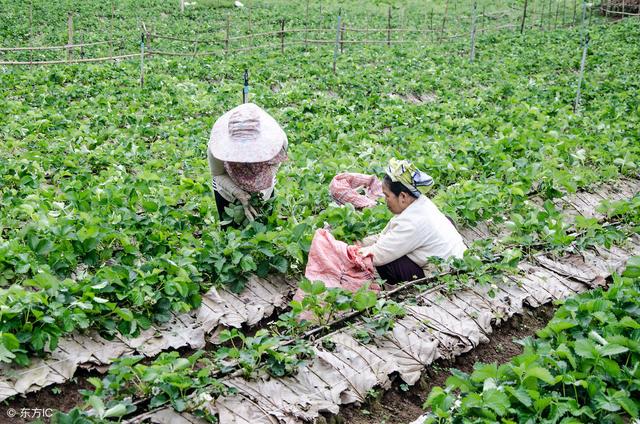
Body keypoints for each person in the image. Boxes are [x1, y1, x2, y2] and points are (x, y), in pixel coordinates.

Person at [357, 158, 467, 284]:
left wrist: (348, 252)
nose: (385, 200)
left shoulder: (412, 222)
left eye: (387, 196)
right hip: (458, 262)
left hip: (442, 275)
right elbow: (384, 236)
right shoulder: (420, 203)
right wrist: (359, 243)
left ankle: (401, 289)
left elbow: (378, 254)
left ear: (403, 196)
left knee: (389, 261)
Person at [207, 103, 288, 225]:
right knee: (230, 231)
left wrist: (260, 186)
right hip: (227, 190)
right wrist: (239, 194)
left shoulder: (278, 141)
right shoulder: (216, 148)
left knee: (264, 227)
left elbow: (275, 164)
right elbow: (218, 174)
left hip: (264, 190)